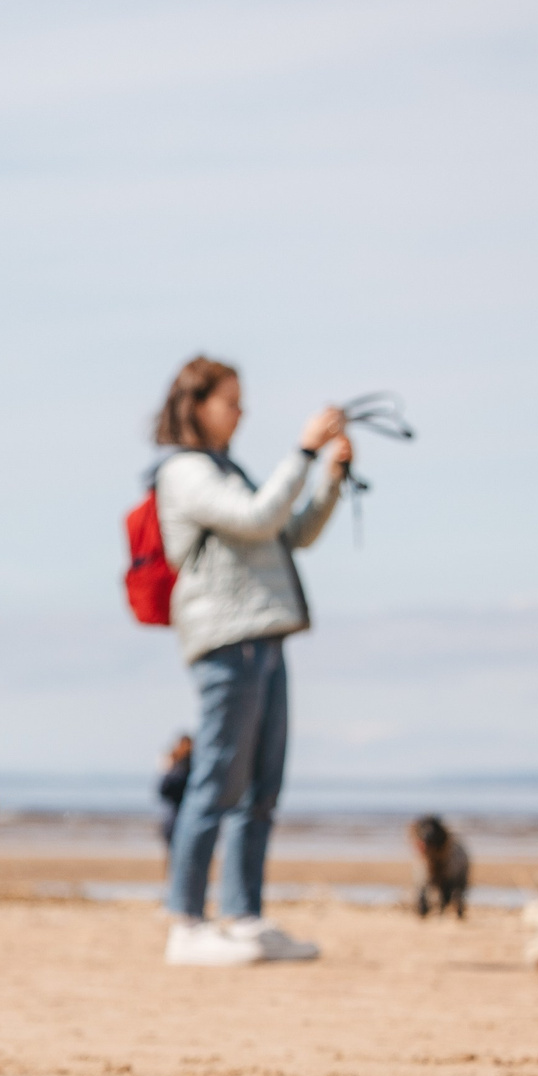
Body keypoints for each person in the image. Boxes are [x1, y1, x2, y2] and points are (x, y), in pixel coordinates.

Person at [150, 356, 350, 966]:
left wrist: (330, 477)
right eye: (231, 400)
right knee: (216, 780)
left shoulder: (226, 468)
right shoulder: (183, 471)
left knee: (260, 787)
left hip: (263, 636)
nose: (241, 411)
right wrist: (304, 450)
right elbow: (258, 517)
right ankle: (185, 923)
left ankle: (242, 918)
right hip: (225, 640)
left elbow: (290, 533)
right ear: (197, 404)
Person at [156, 733, 194, 850]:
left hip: (180, 816)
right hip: (178, 816)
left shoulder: (182, 767)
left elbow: (164, 790)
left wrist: (166, 770)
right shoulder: (182, 765)